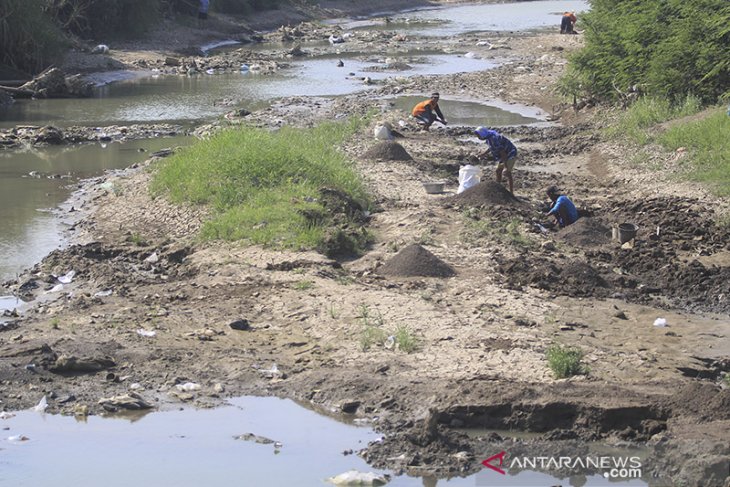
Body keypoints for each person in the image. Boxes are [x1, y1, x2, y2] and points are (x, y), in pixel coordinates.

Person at [474, 126, 518, 194]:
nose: (478, 138)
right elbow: (491, 147)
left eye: (479, 136)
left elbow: (503, 154)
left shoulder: (494, 139)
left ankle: (511, 192)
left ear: (483, 134)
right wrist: (483, 154)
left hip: (510, 153)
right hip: (503, 155)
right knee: (498, 171)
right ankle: (498, 188)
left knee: (507, 173)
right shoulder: (489, 138)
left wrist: (506, 167)